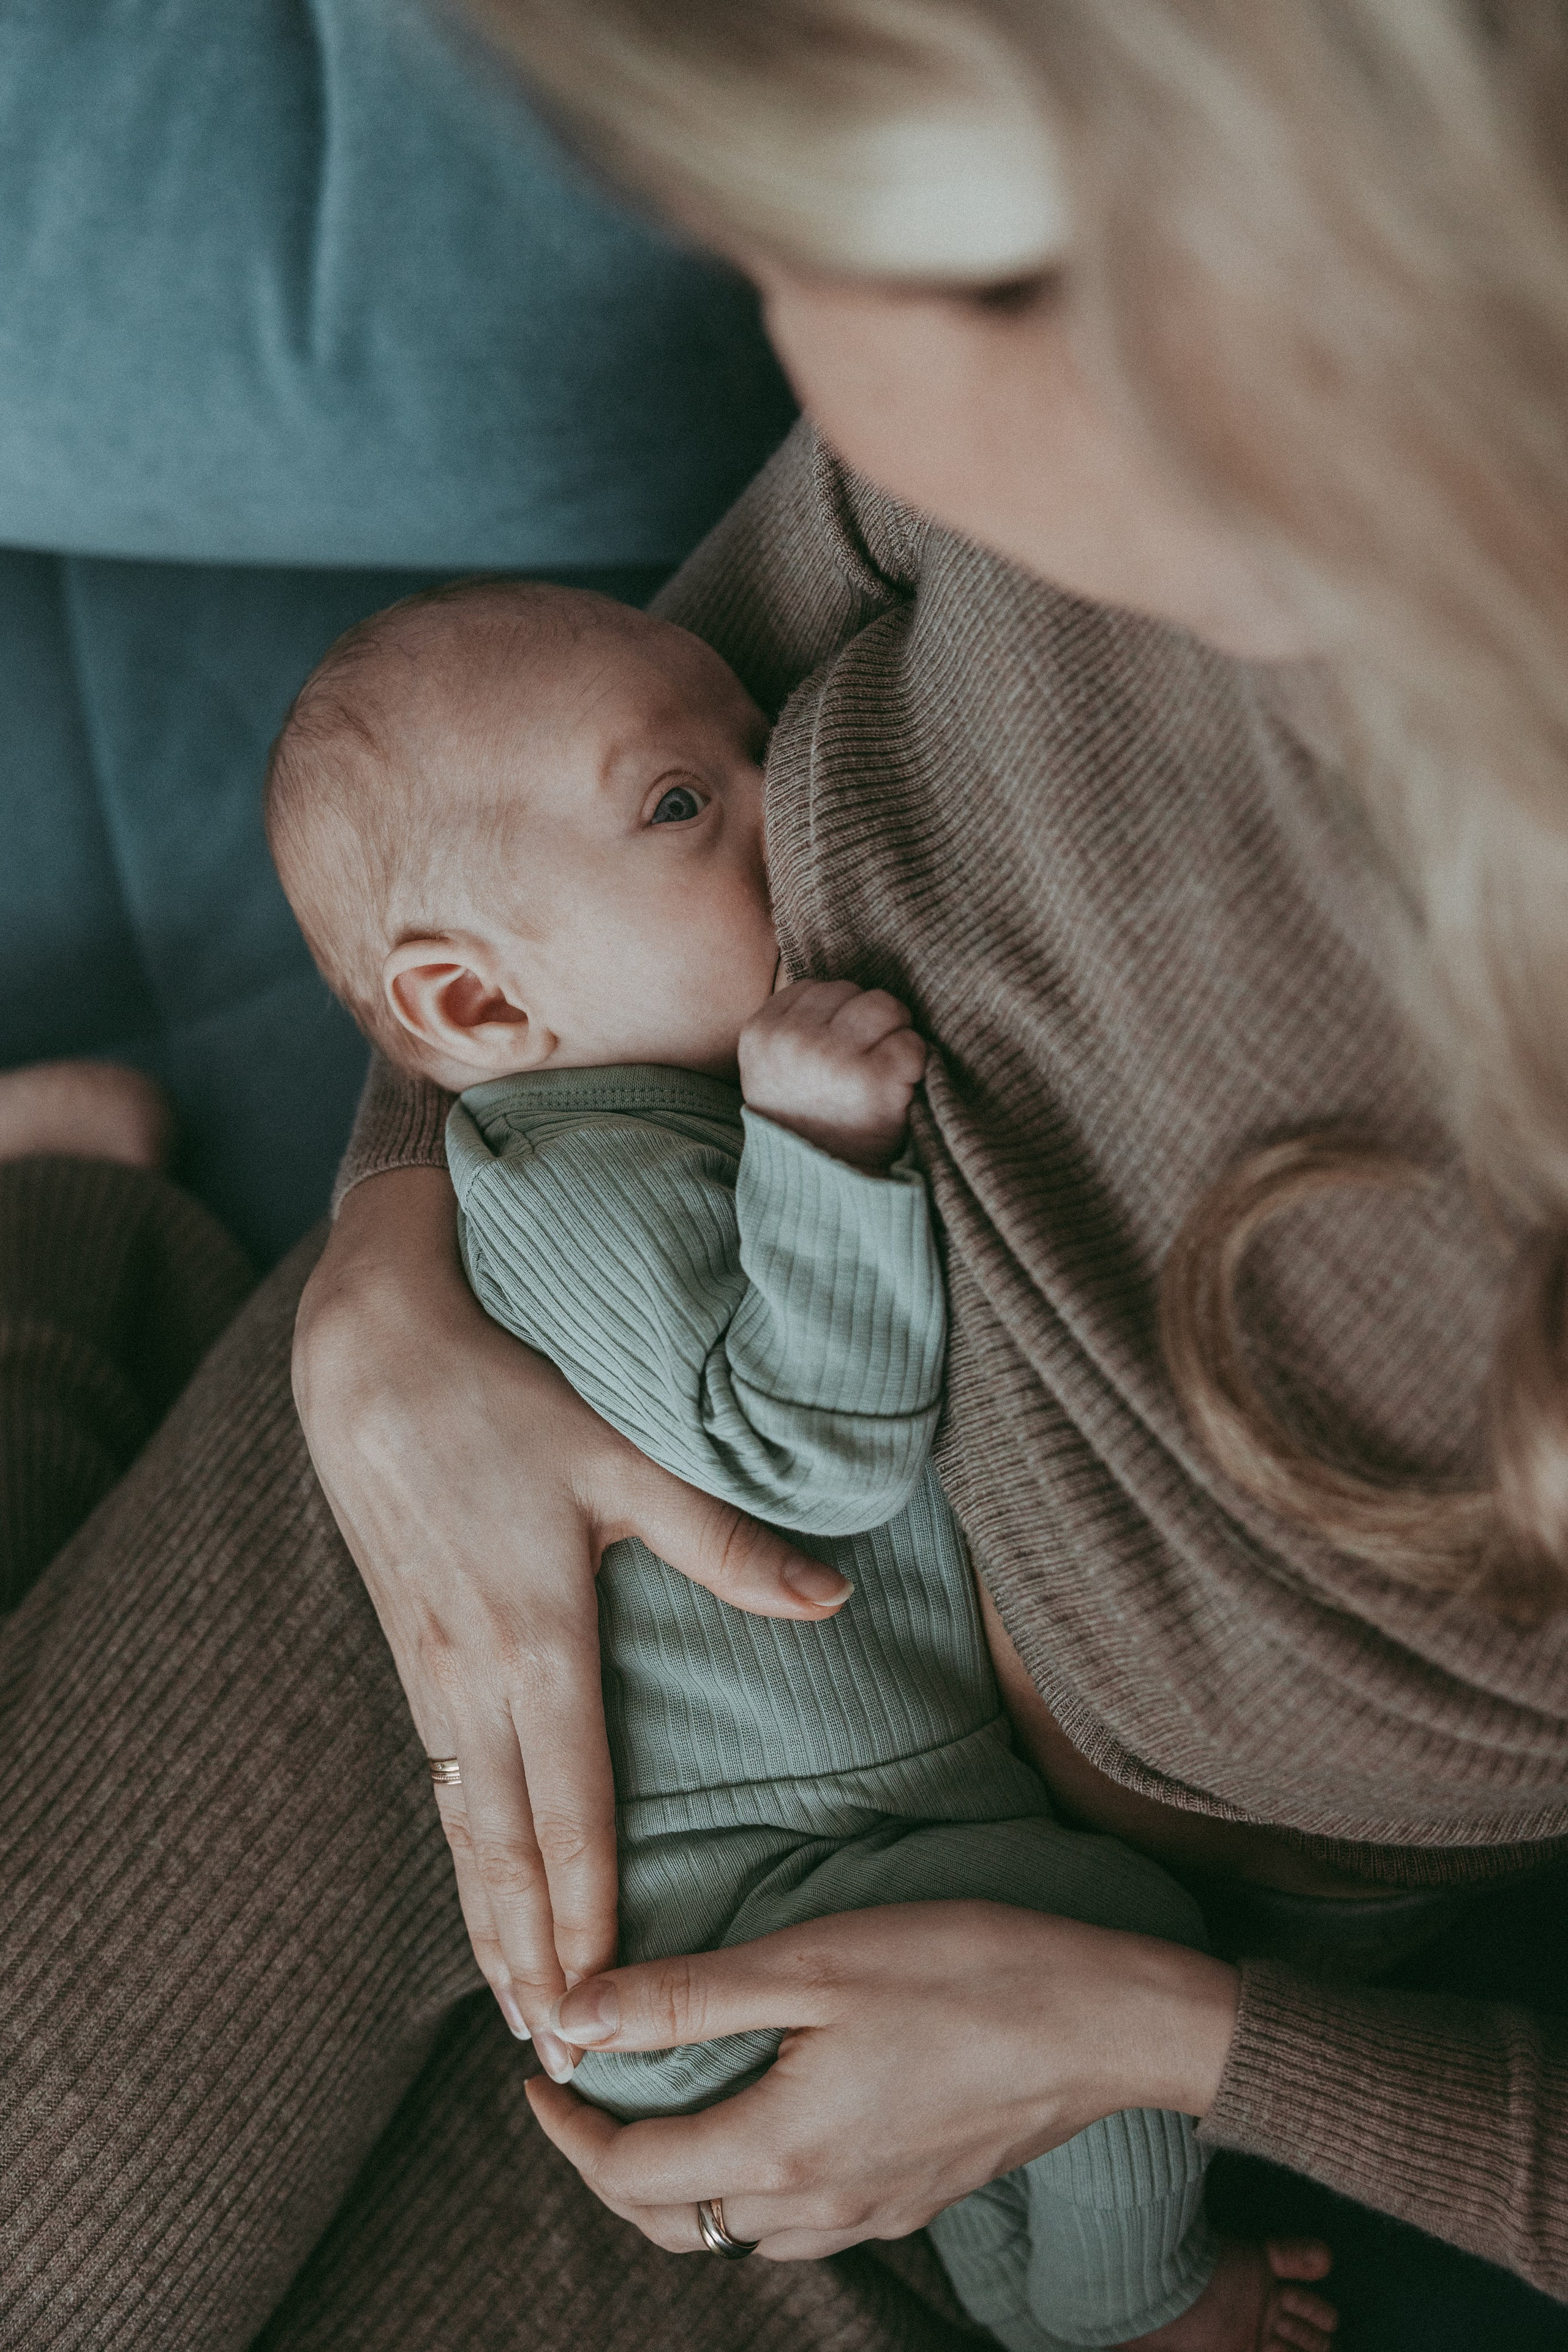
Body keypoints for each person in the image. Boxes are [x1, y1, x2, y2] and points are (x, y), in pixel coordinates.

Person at [3, 7, 1566, 2349]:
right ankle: (63, 1260)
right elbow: (564, 766)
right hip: (519, 1433)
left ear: (1148, 292)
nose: (780, 342)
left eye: (807, 263)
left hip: (1023, 1971)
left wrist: (1162, 2046)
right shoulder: (1040, 425)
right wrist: (393, 1256)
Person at [263, 573, 1340, 2350]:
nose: (790, 812)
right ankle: (1132, 2313)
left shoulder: (620, 1119)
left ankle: (1021, 2281)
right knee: (1121, 1937)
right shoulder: (579, 1190)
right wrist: (821, 1151)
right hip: (760, 1900)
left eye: (761, 753)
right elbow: (807, 1455)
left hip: (827, 1844)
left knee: (1059, 2023)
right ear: (469, 1003)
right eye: (683, 805)